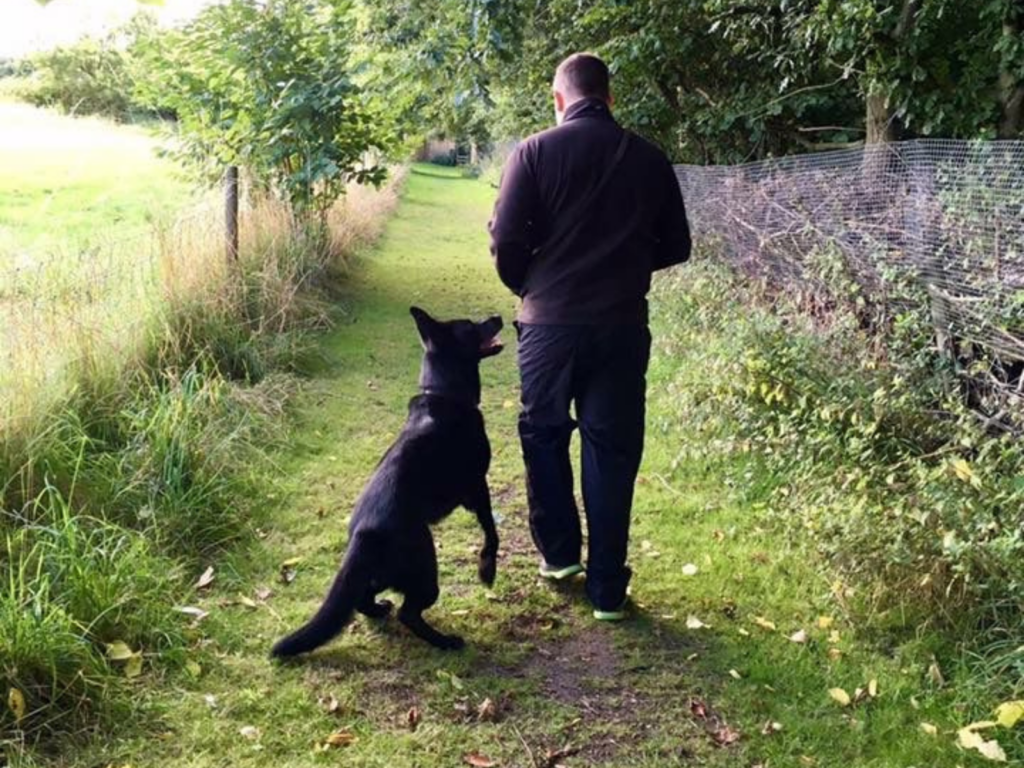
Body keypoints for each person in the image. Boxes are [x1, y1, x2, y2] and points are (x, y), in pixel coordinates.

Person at [488, 52, 691, 621]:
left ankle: (558, 557)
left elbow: (505, 240)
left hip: (548, 327)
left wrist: (528, 287)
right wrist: (625, 264)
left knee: (544, 435)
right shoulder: (649, 158)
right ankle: (607, 590)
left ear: (559, 100)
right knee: (611, 449)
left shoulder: (532, 152)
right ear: (609, 97)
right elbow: (677, 246)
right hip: (622, 326)